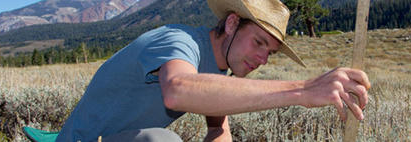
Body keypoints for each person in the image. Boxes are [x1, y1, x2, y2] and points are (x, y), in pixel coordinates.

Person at [56, 0, 371, 141]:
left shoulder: (219, 70)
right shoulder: (179, 41)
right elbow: (179, 89)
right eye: (259, 42)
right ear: (232, 23)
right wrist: (303, 90)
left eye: (270, 53)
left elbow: (218, 131)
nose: (262, 58)